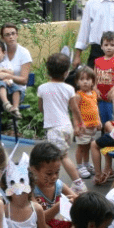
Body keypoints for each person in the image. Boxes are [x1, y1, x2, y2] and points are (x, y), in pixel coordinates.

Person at [37, 52, 85, 193]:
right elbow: (74, 109)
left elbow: (41, 107)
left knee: (62, 157)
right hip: (67, 127)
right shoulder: (69, 88)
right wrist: (80, 124)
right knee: (59, 155)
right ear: (66, 72)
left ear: (48, 71)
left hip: (54, 129)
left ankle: (78, 183)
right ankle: (53, 181)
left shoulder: (42, 88)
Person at [30, 141, 79, 228]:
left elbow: (77, 199)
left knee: (81, 217)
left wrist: (75, 200)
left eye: (57, 172)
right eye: (49, 173)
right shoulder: (31, 190)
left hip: (62, 224)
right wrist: (59, 206)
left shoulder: (58, 185)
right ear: (34, 170)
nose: (54, 177)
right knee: (40, 225)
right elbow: (39, 219)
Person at [73, 66, 101, 179]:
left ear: (93, 81)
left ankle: (86, 163)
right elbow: (75, 112)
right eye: (82, 79)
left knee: (88, 146)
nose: (85, 81)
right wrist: (77, 126)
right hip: (83, 127)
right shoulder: (78, 95)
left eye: (88, 79)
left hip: (93, 127)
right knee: (81, 147)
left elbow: (96, 108)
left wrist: (99, 121)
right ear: (77, 82)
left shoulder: (93, 94)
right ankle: (79, 166)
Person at [92, 31, 114, 124]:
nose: (109, 47)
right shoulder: (97, 61)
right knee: (102, 120)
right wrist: (95, 88)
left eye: (112, 45)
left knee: (113, 121)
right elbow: (93, 78)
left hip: (113, 97)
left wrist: (113, 90)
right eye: (106, 45)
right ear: (101, 46)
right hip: (100, 96)